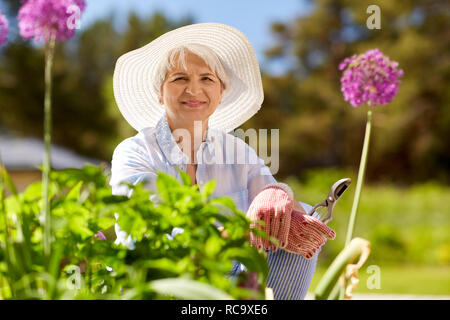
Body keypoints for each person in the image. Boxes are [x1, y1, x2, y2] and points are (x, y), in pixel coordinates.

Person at [109, 23, 335, 300]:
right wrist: (239, 233)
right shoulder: (134, 152)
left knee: (290, 227)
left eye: (207, 79)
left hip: (230, 283)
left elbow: (274, 199)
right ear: (160, 92)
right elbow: (145, 235)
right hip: (155, 283)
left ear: (221, 93)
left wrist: (277, 194)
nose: (194, 89)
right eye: (180, 79)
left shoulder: (236, 150)